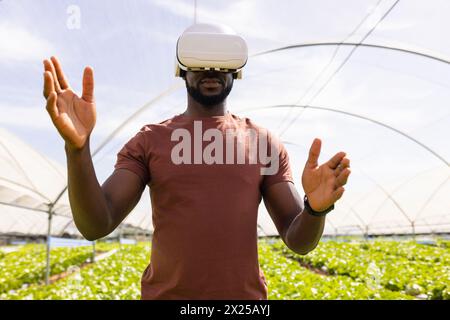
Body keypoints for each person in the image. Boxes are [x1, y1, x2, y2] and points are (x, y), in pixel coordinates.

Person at [42, 23, 350, 300]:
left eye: (221, 64)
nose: (211, 71)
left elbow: (298, 240)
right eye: (199, 62)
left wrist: (315, 209)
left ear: (236, 71)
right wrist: (77, 150)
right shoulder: (149, 141)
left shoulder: (263, 143)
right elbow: (97, 223)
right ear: (181, 71)